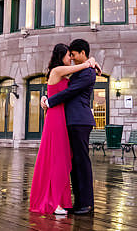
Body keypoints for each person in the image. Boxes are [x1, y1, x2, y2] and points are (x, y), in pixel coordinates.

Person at [29, 44, 99, 215]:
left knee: (70, 161)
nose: (72, 58)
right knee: (61, 160)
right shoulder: (60, 70)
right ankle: (59, 201)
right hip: (59, 119)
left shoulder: (79, 73)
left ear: (82, 53)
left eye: (73, 55)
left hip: (71, 119)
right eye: (69, 55)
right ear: (61, 56)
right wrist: (90, 61)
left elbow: (69, 90)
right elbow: (59, 87)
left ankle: (81, 203)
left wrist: (48, 99)